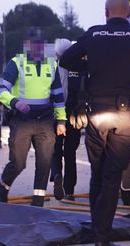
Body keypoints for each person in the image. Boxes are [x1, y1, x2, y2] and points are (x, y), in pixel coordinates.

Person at [60, 0, 130, 246]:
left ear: (106, 13)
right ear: (128, 12)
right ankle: (102, 240)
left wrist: (91, 66)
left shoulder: (94, 33)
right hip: (123, 112)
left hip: (96, 114)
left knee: (98, 172)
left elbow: (67, 59)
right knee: (112, 176)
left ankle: (97, 234)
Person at [0, 28, 67, 207]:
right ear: (26, 45)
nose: (37, 48)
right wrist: (14, 102)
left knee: (44, 163)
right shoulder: (16, 63)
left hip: (45, 120)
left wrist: (61, 121)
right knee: (19, 163)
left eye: (40, 44)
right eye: (33, 44)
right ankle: (3, 186)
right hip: (22, 120)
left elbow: (58, 95)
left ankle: (38, 203)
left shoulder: (52, 64)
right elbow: (1, 90)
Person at [51, 39, 86, 201]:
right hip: (74, 113)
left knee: (55, 149)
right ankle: (69, 190)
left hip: (57, 114)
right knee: (70, 152)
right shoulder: (79, 67)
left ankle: (57, 173)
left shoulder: (52, 69)